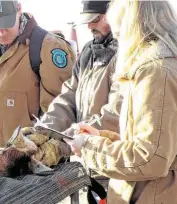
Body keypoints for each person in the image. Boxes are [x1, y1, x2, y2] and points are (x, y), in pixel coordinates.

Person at [65, 0, 177, 203]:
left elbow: (150, 158)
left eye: (119, 32)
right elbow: (155, 143)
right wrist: (101, 137)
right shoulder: (162, 66)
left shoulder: (156, 72)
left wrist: (89, 147)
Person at [0, 0, 75, 148]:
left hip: (35, 158)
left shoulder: (48, 47)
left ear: (19, 9)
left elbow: (61, 108)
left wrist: (40, 150)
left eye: (7, 24)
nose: (1, 32)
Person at [22, 0, 121, 167]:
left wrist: (65, 142)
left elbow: (117, 114)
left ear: (117, 14)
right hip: (89, 154)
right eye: (87, 21)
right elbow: (69, 98)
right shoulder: (88, 52)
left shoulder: (129, 54)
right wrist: (45, 129)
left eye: (95, 19)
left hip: (117, 157)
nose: (89, 26)